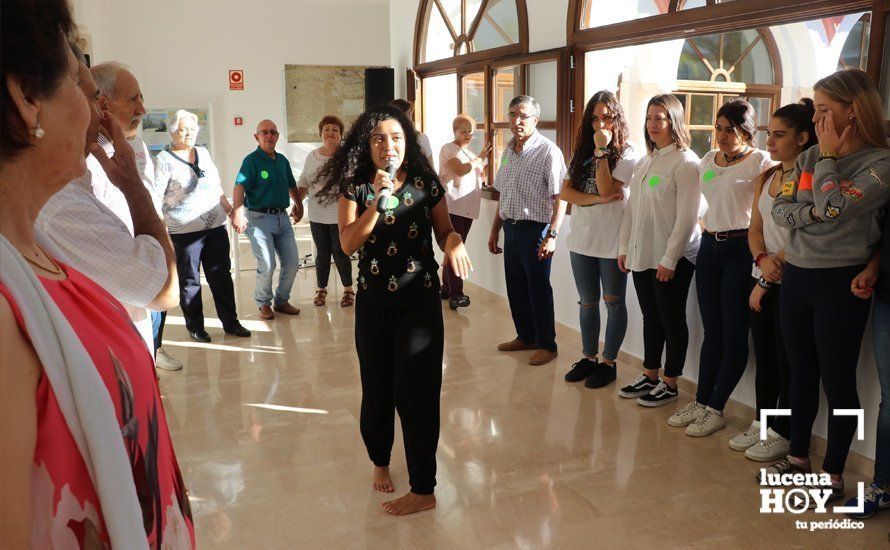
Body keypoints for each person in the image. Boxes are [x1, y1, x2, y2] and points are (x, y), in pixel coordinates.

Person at [0, 1, 194, 545]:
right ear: (27, 99)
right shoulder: (7, 301)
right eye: (84, 90)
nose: (98, 114)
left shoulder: (36, 260)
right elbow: (160, 286)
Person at [316, 105, 471, 515]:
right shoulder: (356, 186)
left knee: (417, 395)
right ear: (366, 145)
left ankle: (424, 488)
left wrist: (454, 242)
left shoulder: (425, 182)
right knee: (378, 390)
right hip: (373, 304)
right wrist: (379, 203)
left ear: (408, 142)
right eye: (379, 138)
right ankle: (380, 462)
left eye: (397, 138)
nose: (389, 146)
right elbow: (348, 244)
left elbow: (445, 230)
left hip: (418, 303)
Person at [768, 69, 890, 505]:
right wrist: (815, 212)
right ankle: (798, 457)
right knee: (800, 373)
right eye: (815, 109)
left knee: (838, 380)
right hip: (797, 274)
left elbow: (834, 205)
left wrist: (827, 165)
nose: (816, 119)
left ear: (852, 112)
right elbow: (780, 207)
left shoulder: (879, 164)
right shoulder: (807, 158)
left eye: (824, 110)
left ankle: (833, 472)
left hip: (842, 282)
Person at [37, 48, 181, 373]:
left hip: (132, 314)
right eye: (133, 99)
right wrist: (135, 189)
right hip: (113, 343)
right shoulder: (60, 199)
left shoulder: (124, 153)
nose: (142, 109)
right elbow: (165, 288)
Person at [670, 100, 775, 436]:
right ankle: (701, 402)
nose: (724, 135)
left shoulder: (761, 163)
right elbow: (704, 202)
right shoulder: (706, 160)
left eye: (731, 128)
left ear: (747, 129)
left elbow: (768, 213)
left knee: (733, 334)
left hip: (742, 250)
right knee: (711, 332)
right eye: (719, 128)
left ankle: (716, 408)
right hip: (710, 248)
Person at [730, 100, 816, 462]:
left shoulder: (811, 177)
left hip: (790, 278)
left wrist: (770, 273)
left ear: (802, 138)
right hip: (763, 273)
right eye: (769, 134)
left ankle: (783, 431)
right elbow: (756, 228)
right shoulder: (767, 176)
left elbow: (805, 229)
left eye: (779, 135)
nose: (770, 142)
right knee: (764, 357)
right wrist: (762, 261)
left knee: (788, 363)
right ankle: (763, 424)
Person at [90, 61, 181, 370]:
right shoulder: (89, 164)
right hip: (114, 329)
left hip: (140, 302)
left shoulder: (131, 147)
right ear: (102, 103)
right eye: (134, 99)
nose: (142, 108)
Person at [617, 94, 701, 407]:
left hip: (672, 258)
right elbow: (632, 210)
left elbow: (687, 218)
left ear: (674, 122)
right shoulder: (646, 160)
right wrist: (624, 247)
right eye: (650, 118)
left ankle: (670, 382)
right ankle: (650, 375)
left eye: (660, 119)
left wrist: (670, 258)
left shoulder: (687, 163)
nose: (653, 125)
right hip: (643, 253)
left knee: (671, 319)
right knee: (651, 317)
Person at [561, 91, 640, 389]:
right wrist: (596, 199)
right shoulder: (579, 150)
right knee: (587, 303)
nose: (600, 123)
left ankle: (608, 363)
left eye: (606, 116)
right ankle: (589, 358)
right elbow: (567, 195)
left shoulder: (629, 152)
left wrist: (602, 150)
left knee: (614, 302)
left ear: (616, 117)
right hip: (581, 239)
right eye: (594, 118)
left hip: (612, 240)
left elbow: (609, 185)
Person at [153, 109, 250, 342]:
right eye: (183, 130)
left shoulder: (204, 153)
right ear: (172, 132)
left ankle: (230, 322)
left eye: (192, 130)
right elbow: (156, 197)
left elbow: (216, 187)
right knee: (190, 281)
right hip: (183, 231)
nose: (188, 134)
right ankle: (195, 326)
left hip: (215, 227)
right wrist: (160, 232)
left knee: (221, 276)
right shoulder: (163, 161)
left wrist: (230, 212)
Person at [489, 95, 567, 366]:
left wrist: (552, 236)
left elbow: (561, 197)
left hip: (536, 231)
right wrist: (494, 230)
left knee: (538, 289)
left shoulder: (548, 151)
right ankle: (526, 336)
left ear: (535, 120)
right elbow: (504, 194)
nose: (517, 121)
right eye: (512, 114)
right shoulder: (509, 151)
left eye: (522, 116)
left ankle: (547, 344)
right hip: (510, 228)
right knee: (516, 287)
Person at [231, 119, 303, 320]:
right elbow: (239, 187)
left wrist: (299, 204)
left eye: (273, 132)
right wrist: (238, 213)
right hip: (259, 218)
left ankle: (281, 301)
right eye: (264, 132)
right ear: (257, 137)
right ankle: (263, 303)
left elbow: (292, 185)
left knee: (292, 262)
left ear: (277, 137)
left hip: (282, 218)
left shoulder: (282, 161)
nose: (269, 136)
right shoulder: (251, 161)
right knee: (268, 263)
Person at [296, 115, 355, 307]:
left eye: (335, 130)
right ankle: (321, 290)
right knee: (322, 253)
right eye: (327, 129)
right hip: (317, 213)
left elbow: (353, 184)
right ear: (320, 133)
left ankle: (348, 290)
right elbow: (303, 183)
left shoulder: (347, 156)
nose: (330, 133)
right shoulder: (312, 156)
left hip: (341, 214)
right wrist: (297, 206)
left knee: (340, 252)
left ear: (341, 134)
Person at [437, 114, 489, 310]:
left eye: (470, 132)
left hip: (467, 208)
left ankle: (445, 288)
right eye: (463, 131)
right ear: (454, 131)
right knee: (456, 251)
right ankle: (456, 294)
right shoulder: (449, 149)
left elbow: (479, 175)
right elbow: (459, 170)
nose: (467, 135)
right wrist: (480, 159)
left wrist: (482, 164)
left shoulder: (471, 153)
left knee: (454, 250)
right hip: (452, 205)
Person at [389, 99, 434, 166]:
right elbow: (430, 165)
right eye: (409, 113)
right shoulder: (421, 138)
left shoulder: (384, 138)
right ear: (409, 113)